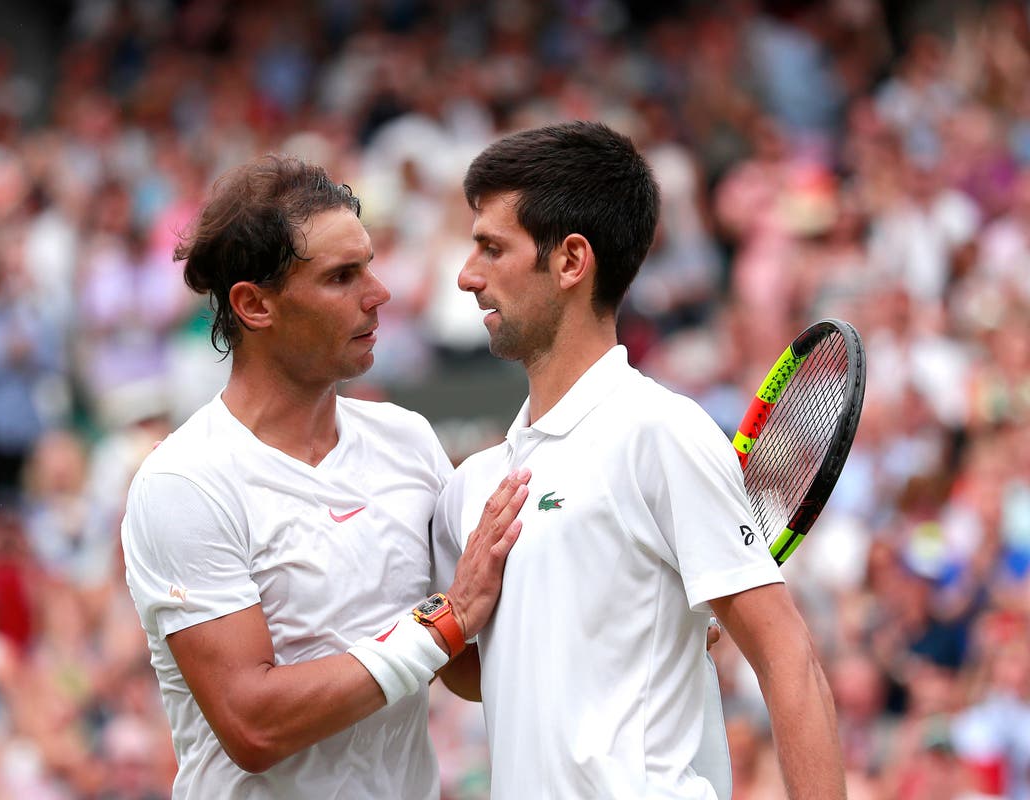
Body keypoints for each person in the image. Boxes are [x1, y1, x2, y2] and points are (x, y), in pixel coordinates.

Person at [431, 120, 846, 799]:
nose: (466, 275)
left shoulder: (660, 433)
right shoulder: (473, 486)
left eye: (490, 248)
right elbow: (484, 673)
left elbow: (788, 659)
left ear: (570, 261)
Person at [119, 155, 529, 799]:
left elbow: (467, 670)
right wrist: (448, 619)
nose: (379, 293)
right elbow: (252, 724)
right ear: (254, 305)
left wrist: (629, 623)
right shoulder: (184, 482)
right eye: (342, 276)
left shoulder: (408, 441)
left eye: (368, 263)